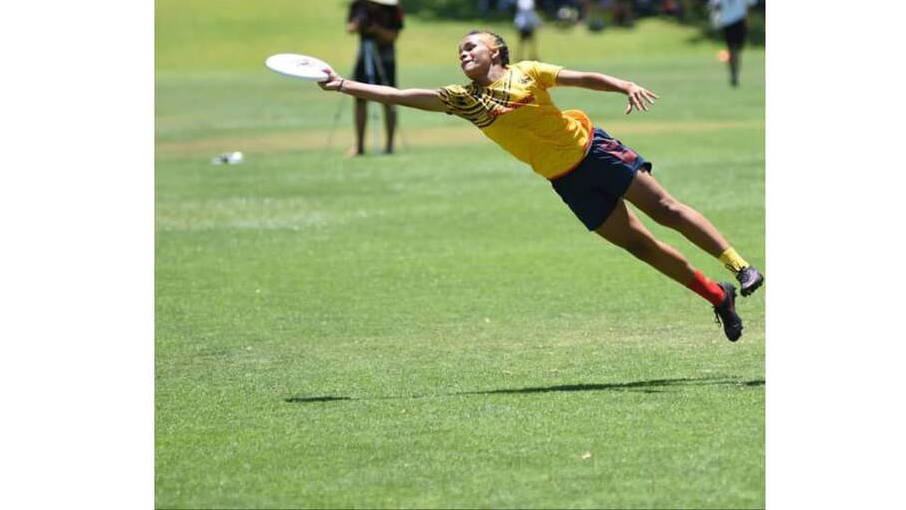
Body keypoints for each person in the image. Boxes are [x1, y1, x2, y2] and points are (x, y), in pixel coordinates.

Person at [317, 31, 764, 341]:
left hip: (594, 150)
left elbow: (579, 77)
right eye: (459, 51)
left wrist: (622, 84)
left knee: (665, 209)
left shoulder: (526, 71)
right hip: (566, 181)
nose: (463, 53)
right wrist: (343, 85)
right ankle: (717, 296)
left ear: (497, 52)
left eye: (471, 46)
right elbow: (401, 95)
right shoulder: (463, 100)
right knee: (641, 246)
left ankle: (739, 267)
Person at [346, 0, 404, 155]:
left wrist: (377, 30)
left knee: (390, 99)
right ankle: (359, 145)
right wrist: (357, 25)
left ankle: (389, 145)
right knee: (359, 99)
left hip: (385, 56)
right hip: (364, 55)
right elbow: (349, 28)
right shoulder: (358, 5)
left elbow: (393, 35)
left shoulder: (392, 9)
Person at [708, 0, 758, 86]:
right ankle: (735, 72)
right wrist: (748, 21)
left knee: (730, 48)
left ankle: (732, 71)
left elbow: (715, 3)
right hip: (739, 19)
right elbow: (749, 4)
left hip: (726, 20)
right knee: (738, 50)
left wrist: (716, 18)